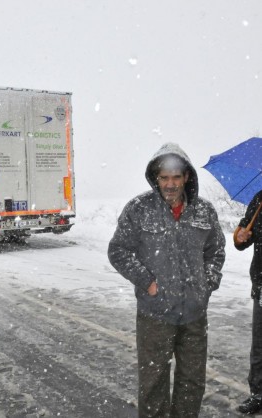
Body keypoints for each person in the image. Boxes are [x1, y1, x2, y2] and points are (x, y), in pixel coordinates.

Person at [108, 143, 226, 418]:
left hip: (195, 315)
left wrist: (206, 284)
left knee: (192, 382)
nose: (170, 184)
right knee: (153, 383)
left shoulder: (204, 211)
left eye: (176, 177)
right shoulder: (139, 209)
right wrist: (147, 282)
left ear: (186, 177)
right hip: (155, 315)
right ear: (156, 178)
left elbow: (216, 251)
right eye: (164, 177)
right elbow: (118, 250)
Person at [234, 190, 262, 414]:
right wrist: (241, 236)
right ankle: (258, 394)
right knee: (260, 346)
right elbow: (243, 234)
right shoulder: (260, 199)